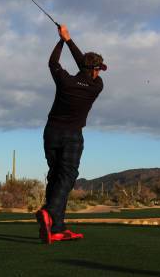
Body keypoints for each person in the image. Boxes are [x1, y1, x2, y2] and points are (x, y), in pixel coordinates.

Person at [35, 24, 106, 244]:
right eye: (98, 68)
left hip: (51, 134)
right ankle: (49, 212)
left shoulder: (65, 81)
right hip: (72, 136)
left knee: (55, 176)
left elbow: (53, 63)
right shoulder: (96, 86)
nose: (99, 72)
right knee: (67, 176)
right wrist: (68, 39)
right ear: (95, 71)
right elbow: (84, 66)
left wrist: (63, 40)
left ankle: (56, 228)